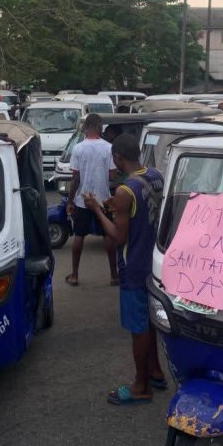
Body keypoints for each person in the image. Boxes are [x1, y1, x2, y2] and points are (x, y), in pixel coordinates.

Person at [84, 133, 166, 405]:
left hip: (133, 266)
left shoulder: (124, 191)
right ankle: (155, 371)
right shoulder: (155, 175)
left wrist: (97, 209)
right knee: (149, 322)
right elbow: (141, 211)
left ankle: (141, 386)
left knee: (138, 328)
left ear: (118, 158)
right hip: (153, 263)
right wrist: (118, 209)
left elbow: (118, 238)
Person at [65, 114, 118, 286]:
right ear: (100, 127)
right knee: (108, 235)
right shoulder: (109, 148)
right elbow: (112, 175)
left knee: (79, 235)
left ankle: (74, 275)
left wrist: (70, 200)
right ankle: (113, 275)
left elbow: (75, 177)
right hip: (103, 199)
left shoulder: (79, 148)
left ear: (86, 127)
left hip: (83, 199)